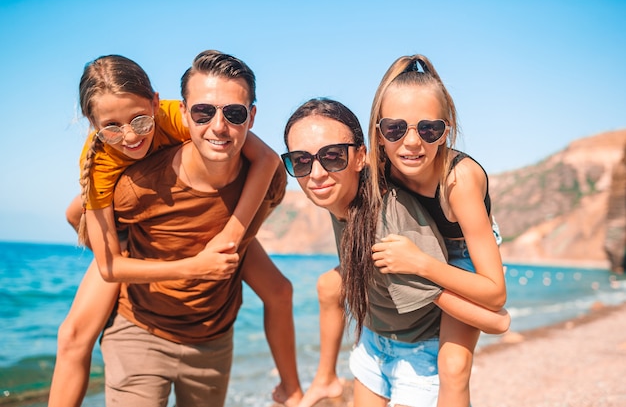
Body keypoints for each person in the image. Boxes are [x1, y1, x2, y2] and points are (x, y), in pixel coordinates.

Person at [50, 53, 301, 407]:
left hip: (203, 244)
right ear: (93, 124)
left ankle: (292, 391)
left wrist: (229, 235)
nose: (129, 136)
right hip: (121, 239)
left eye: (139, 121)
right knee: (73, 335)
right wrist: (190, 265)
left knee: (280, 289)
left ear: (156, 104)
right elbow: (99, 251)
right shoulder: (101, 162)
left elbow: (268, 159)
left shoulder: (187, 117)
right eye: (111, 127)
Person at [282, 98, 509, 407]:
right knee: (328, 284)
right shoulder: (339, 194)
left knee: (455, 369)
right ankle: (325, 380)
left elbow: (493, 320)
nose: (317, 173)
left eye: (332, 156)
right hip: (377, 339)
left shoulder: (390, 227)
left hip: (419, 351)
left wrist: (498, 321)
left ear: (360, 157)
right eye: (301, 161)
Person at [367, 54, 508, 406]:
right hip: (415, 244)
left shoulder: (458, 181)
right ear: (379, 133)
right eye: (395, 129)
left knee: (454, 366)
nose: (412, 142)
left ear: (447, 131)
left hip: (461, 254)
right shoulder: (380, 165)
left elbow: (494, 293)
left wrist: (420, 264)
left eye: (429, 129)